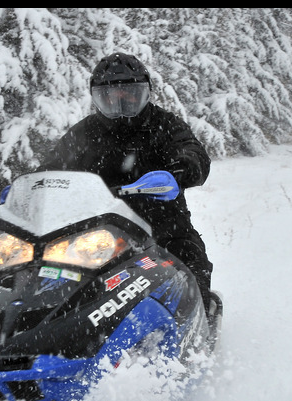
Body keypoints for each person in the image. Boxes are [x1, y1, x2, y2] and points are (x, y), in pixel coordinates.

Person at [38, 52, 221, 327]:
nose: (121, 102)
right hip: (97, 228)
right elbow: (53, 166)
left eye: (130, 94)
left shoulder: (164, 124)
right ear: (98, 97)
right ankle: (55, 329)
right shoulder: (85, 132)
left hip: (162, 224)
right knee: (50, 270)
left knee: (191, 260)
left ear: (144, 93)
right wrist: (32, 187)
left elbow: (193, 153)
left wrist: (179, 171)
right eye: (111, 96)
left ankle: (198, 326)